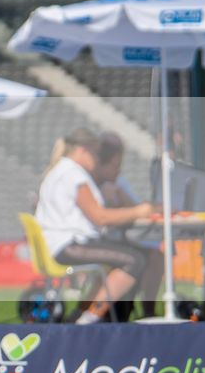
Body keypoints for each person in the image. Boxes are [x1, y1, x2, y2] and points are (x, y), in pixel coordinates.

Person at [34, 129, 159, 323]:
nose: (97, 160)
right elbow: (100, 217)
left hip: (65, 244)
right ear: (83, 151)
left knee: (124, 255)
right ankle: (91, 318)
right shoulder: (74, 175)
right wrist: (138, 212)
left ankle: (82, 315)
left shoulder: (62, 171)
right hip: (70, 245)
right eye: (94, 153)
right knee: (134, 260)